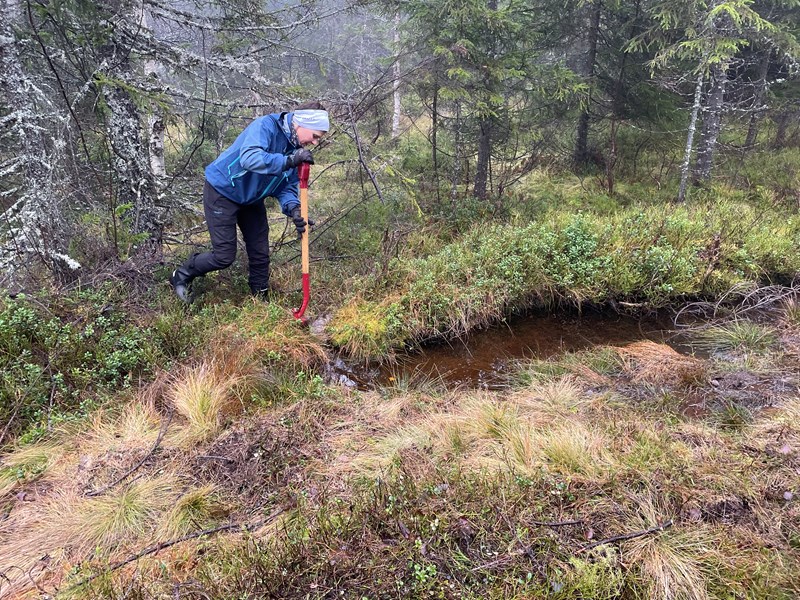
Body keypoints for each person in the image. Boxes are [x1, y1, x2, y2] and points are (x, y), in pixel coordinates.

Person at [169, 103, 329, 302]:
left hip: (252, 198)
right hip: (223, 190)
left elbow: (286, 185)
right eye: (314, 136)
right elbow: (249, 159)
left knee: (260, 252)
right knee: (224, 256)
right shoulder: (266, 127)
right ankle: (181, 275)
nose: (314, 143)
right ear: (301, 123)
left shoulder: (296, 148)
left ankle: (260, 298)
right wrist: (288, 160)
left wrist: (294, 209)